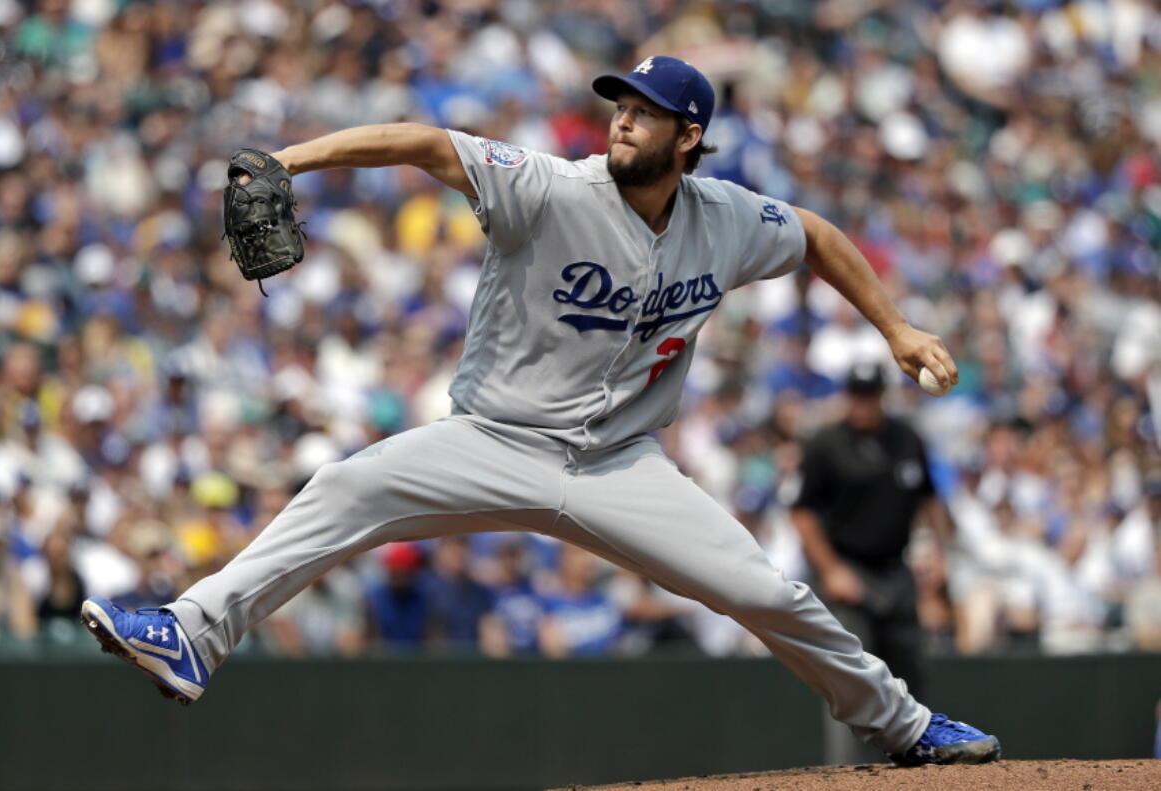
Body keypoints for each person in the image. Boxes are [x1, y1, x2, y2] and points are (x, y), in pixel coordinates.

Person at [81, 56, 998, 766]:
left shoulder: (724, 217)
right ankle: (194, 632)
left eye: (643, 111)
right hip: (492, 439)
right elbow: (423, 142)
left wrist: (898, 326)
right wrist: (288, 160)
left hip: (620, 464)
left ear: (689, 136)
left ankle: (906, 725)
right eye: (618, 105)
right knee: (345, 487)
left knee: (766, 591)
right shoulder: (550, 187)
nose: (623, 118)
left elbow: (819, 238)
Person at [790, 362, 956, 762]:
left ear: (882, 396)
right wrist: (831, 570)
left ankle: (915, 764)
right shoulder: (827, 443)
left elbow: (930, 500)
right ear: (848, 397)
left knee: (909, 668)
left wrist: (941, 553)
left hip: (895, 570)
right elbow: (802, 513)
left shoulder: (906, 438)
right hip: (847, 569)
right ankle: (851, 775)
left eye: (870, 395)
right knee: (854, 675)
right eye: (857, 395)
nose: (863, 404)